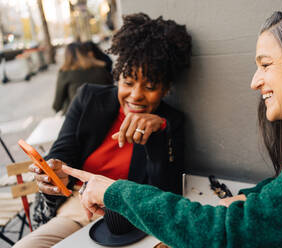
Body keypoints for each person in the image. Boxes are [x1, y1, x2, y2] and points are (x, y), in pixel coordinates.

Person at [63, 5, 282, 248]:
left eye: (265, 65)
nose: (254, 81)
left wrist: (117, 192)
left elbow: (232, 234)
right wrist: (249, 199)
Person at [14, 13, 192, 248]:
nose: (136, 95)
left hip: (132, 219)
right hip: (79, 208)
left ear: (166, 88)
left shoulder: (170, 122)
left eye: (149, 86)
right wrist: (54, 169)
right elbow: (63, 150)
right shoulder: (88, 98)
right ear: (117, 78)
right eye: (128, 82)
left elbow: (167, 196)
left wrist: (158, 134)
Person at [52, 42, 113, 114]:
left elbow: (57, 104)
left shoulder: (65, 73)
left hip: (78, 117)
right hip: (106, 113)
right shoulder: (101, 68)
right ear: (85, 53)